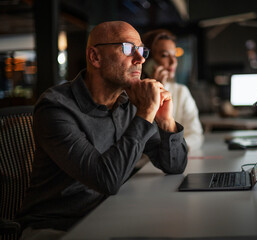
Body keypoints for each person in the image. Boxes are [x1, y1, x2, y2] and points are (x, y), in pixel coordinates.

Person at [16, 21, 188, 240]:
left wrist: (166, 121)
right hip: (57, 228)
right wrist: (145, 113)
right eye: (127, 48)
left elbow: (175, 166)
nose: (141, 59)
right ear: (95, 57)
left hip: (112, 216)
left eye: (142, 50)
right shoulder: (55, 107)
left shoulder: (129, 101)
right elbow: (106, 180)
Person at [142, 29, 204, 151]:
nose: (173, 62)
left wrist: (176, 151)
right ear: (148, 61)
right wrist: (156, 91)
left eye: (174, 55)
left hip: (173, 160)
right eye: (165, 55)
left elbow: (196, 134)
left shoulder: (181, 92)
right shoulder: (133, 95)